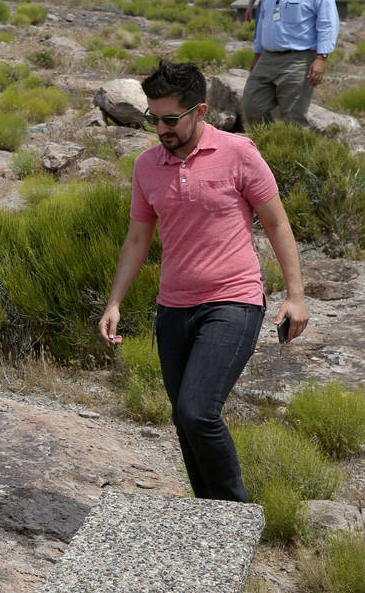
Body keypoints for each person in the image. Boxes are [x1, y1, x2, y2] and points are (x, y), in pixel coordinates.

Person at [99, 61, 308, 502]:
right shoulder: (145, 166)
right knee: (183, 419)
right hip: (173, 308)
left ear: (200, 110)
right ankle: (207, 520)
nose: (161, 128)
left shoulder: (239, 153)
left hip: (233, 301)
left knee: (198, 413)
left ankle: (236, 519)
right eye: (154, 118)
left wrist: (295, 295)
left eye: (170, 119)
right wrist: (114, 302)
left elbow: (277, 224)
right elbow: (137, 239)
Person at [242, 0, 339, 127]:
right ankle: (269, 148)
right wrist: (257, 53)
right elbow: (263, 20)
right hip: (267, 58)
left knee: (294, 118)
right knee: (252, 106)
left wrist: (322, 58)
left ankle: (293, 155)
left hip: (299, 60)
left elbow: (328, 21)